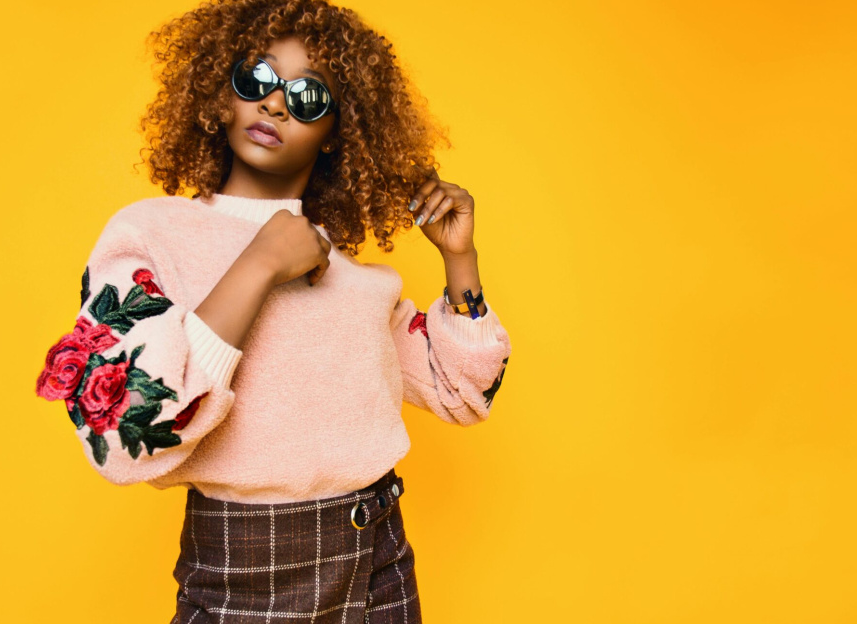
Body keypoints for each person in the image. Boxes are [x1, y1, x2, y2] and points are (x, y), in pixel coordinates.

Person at [34, 0, 512, 621]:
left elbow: (463, 393)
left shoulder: (357, 282)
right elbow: (125, 432)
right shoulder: (152, 236)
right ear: (221, 91)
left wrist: (459, 257)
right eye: (256, 78)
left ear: (337, 130)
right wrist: (259, 263)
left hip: (379, 567)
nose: (275, 103)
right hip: (240, 575)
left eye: (308, 97)